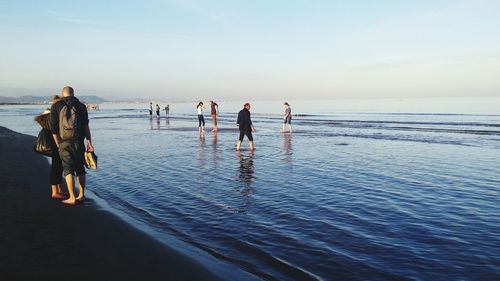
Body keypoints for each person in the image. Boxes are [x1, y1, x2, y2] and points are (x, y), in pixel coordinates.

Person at [50, 86, 94, 205]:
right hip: (79, 141)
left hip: (64, 142)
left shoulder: (56, 106)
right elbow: (86, 126)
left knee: (68, 169)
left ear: (62, 94)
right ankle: (81, 195)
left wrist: (57, 143)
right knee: (80, 169)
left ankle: (72, 197)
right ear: (73, 93)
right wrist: (89, 142)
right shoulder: (81, 106)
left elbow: (53, 128)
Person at [34, 95, 65, 199]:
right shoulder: (53, 115)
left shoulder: (46, 115)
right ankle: (55, 192)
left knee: (58, 166)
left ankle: (58, 189)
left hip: (51, 141)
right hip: (54, 142)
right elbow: (54, 129)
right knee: (57, 166)